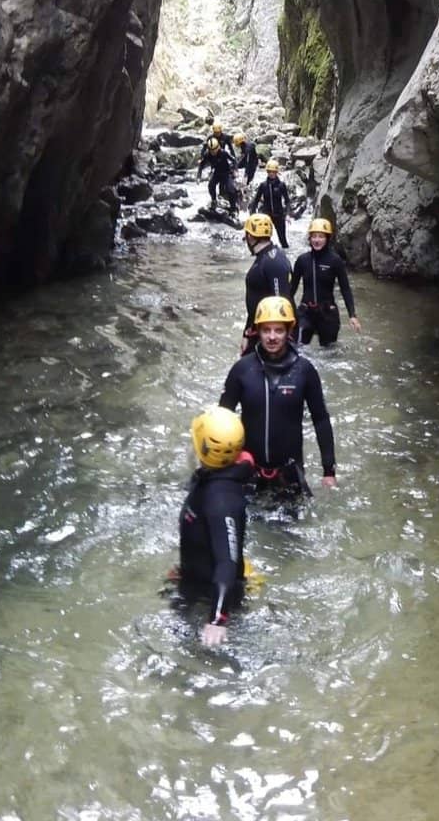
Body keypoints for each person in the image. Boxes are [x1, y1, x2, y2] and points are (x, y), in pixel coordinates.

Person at [220, 295, 337, 499]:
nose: (272, 337)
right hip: (249, 471)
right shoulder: (242, 370)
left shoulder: (304, 371)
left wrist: (329, 471)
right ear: (257, 331)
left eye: (278, 330)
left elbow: (321, 419)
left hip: (289, 474)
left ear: (289, 331)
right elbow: (222, 418)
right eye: (266, 330)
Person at [178, 407, 255, 647]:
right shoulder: (208, 478)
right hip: (195, 578)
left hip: (212, 594)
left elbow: (227, 561)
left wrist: (217, 619)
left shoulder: (221, 500)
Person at [289, 217, 361, 346]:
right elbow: (291, 289)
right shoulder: (302, 260)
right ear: (309, 238)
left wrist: (352, 315)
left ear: (327, 238)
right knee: (297, 350)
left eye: (321, 236)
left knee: (329, 355)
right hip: (306, 312)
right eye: (314, 236)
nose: (317, 240)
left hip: (327, 313)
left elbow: (345, 288)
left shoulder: (335, 260)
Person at [241, 214, 292, 354]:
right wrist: (247, 332)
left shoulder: (272, 261)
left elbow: (281, 300)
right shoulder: (266, 257)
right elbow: (256, 300)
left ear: (250, 237)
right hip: (260, 329)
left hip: (269, 334)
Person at [250, 158, 291, 247]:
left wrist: (287, 214)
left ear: (276, 172)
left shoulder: (281, 185)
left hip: (279, 215)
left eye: (273, 172)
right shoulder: (263, 185)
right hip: (266, 216)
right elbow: (256, 200)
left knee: (283, 241)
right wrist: (252, 215)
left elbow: (287, 201)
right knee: (263, 240)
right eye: (269, 172)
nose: (271, 174)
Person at [197, 132, 239, 215]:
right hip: (216, 173)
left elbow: (234, 160)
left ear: (218, 148)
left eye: (214, 150)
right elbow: (201, 165)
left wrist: (235, 170)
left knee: (231, 190)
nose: (213, 152)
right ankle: (214, 200)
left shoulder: (223, 153)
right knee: (211, 186)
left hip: (226, 173)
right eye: (211, 150)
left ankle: (233, 208)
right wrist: (198, 177)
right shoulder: (207, 154)